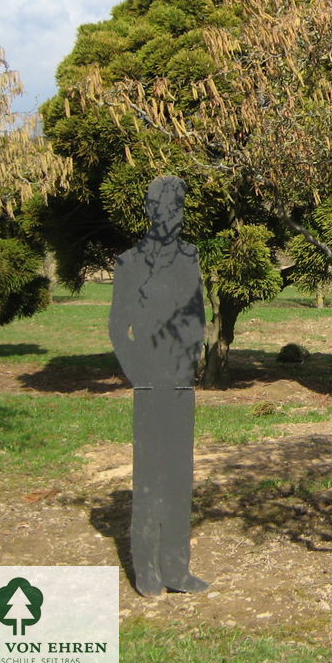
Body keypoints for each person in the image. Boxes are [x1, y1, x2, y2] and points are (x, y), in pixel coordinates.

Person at [109, 175, 209, 596]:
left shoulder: (190, 257)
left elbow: (197, 315)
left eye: (178, 209)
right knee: (150, 474)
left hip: (181, 381)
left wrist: (192, 360)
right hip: (149, 382)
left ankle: (177, 568)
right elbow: (118, 327)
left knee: (179, 474)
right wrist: (140, 373)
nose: (171, 217)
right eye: (164, 209)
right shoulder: (129, 263)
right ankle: (146, 569)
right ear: (150, 212)